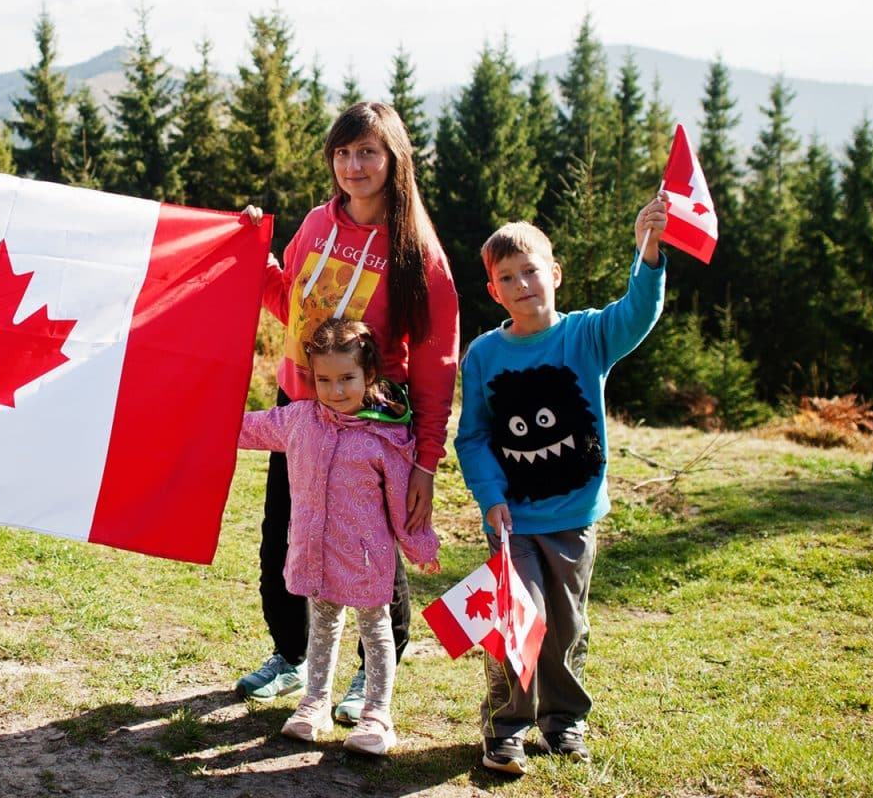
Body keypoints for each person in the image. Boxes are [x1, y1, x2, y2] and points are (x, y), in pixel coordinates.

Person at [238, 102, 459, 727]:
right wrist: (256, 251)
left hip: (374, 422)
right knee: (287, 527)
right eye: (342, 153)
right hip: (302, 407)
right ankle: (288, 654)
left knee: (369, 545)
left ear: (393, 159)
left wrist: (425, 462)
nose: (353, 166)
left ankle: (372, 670)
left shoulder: (420, 252)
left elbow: (439, 362)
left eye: (367, 152)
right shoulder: (315, 225)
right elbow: (293, 305)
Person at [453, 196, 669, 774]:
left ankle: (563, 720)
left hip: (574, 517)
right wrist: (492, 498)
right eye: (507, 277)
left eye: (531, 270)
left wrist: (647, 252)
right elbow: (471, 437)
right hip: (513, 525)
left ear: (555, 274)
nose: (522, 283)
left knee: (566, 627)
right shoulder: (484, 356)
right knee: (514, 624)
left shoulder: (588, 337)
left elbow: (638, 312)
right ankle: (505, 729)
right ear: (494, 291)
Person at [238, 319, 441, 754]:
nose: (335, 390)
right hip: (315, 554)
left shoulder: (384, 436)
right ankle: (314, 704)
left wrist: (421, 547)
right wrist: (210, 418)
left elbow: (402, 502)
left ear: (369, 376)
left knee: (376, 631)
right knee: (323, 630)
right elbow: (250, 427)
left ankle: (377, 716)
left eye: (346, 378)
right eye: (324, 380)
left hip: (367, 561)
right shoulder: (299, 421)